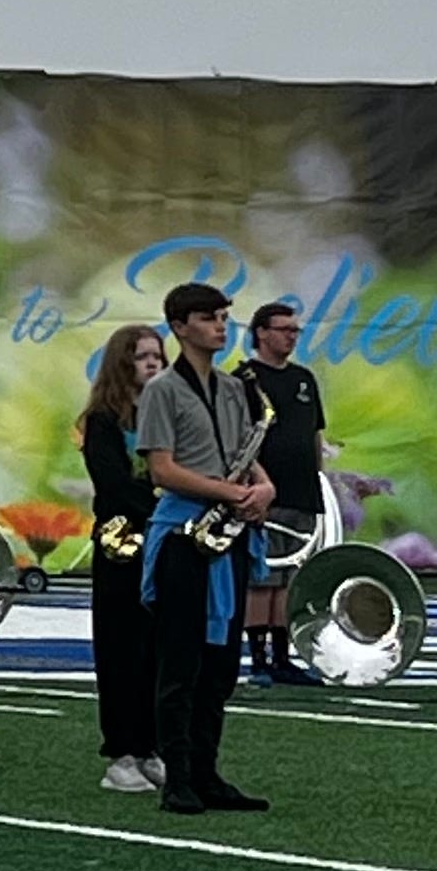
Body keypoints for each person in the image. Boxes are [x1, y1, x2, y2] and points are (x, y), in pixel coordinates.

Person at [137, 280, 272, 815]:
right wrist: (230, 492)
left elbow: (246, 454)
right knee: (181, 660)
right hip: (182, 536)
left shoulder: (236, 389)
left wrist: (264, 488)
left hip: (229, 532)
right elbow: (162, 468)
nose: (221, 325)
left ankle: (207, 771)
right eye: (210, 317)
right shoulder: (161, 390)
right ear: (180, 326)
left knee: (220, 663)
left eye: (223, 316)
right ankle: (177, 777)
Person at [79, 324, 168, 795]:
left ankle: (152, 746)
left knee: (159, 648)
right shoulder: (102, 420)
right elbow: (112, 484)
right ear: (121, 364)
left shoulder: (172, 414)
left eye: (157, 356)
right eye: (141, 357)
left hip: (163, 541)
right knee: (121, 649)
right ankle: (121, 752)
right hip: (123, 541)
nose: (152, 364)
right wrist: (162, 507)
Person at [236, 300, 330, 685]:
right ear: (262, 332)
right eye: (284, 329)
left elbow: (314, 434)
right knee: (263, 575)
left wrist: (320, 480)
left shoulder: (304, 379)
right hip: (263, 493)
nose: (291, 336)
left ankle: (283, 656)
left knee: (293, 577)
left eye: (296, 331)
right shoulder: (243, 379)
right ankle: (258, 657)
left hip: (301, 492)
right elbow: (236, 438)